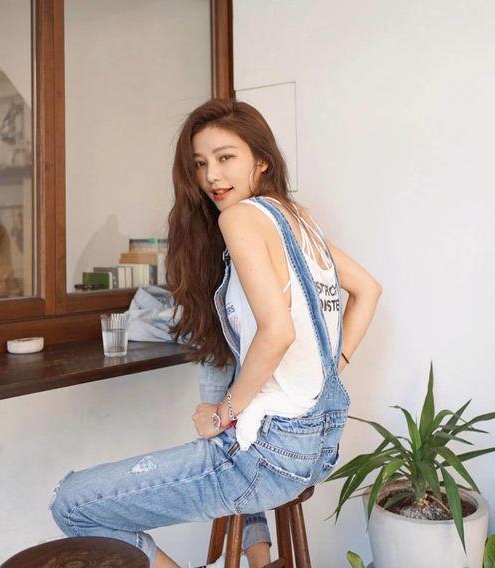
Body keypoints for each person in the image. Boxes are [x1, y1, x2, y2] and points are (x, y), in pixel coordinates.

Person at [49, 98, 383, 568]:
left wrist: (224, 412)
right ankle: (259, 556)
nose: (211, 176)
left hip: (269, 455)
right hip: (318, 447)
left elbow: (278, 331)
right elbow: (368, 290)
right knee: (221, 371)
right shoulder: (296, 217)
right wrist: (330, 368)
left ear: (261, 160)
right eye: (201, 163)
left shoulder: (240, 217)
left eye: (226, 157)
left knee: (72, 504)